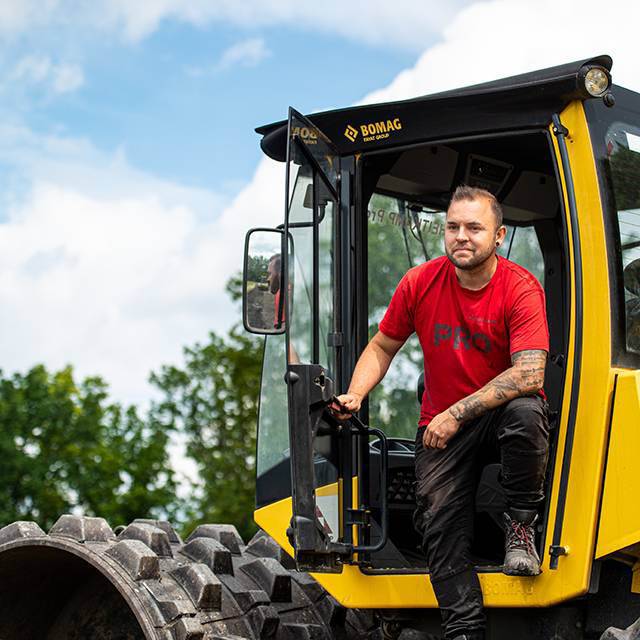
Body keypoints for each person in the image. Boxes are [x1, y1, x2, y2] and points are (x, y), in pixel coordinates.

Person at [332, 185, 550, 640]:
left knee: (527, 413)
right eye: (452, 227)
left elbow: (529, 374)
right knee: (434, 517)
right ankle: (464, 630)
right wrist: (354, 394)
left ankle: (520, 525)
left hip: (493, 415)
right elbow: (383, 345)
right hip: (443, 426)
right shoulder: (420, 282)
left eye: (474, 228)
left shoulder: (520, 287)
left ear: (499, 236)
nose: (461, 237)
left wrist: (456, 412)